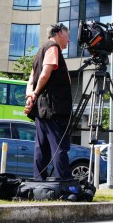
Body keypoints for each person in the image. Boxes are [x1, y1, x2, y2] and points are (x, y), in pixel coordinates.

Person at [24, 23, 72, 180]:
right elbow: (45, 74)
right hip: (54, 108)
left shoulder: (39, 52)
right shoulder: (53, 47)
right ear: (59, 33)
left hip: (42, 109)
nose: (69, 40)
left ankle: (39, 181)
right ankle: (64, 182)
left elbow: (31, 79)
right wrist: (36, 93)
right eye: (68, 35)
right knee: (59, 147)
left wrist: (30, 97)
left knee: (42, 147)